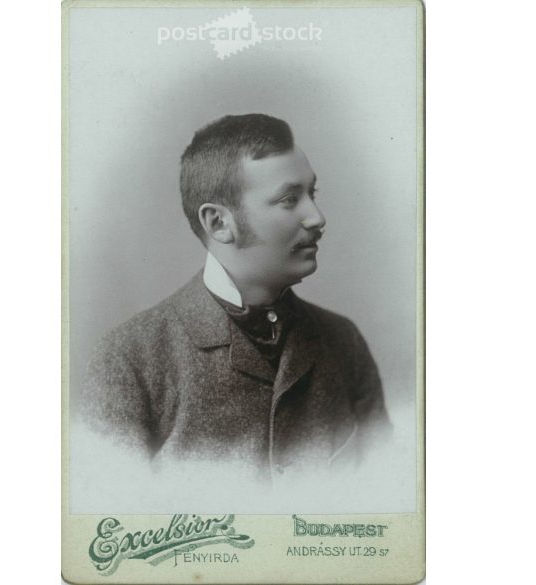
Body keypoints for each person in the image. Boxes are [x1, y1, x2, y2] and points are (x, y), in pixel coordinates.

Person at [82, 113, 390, 479]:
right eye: (290, 199)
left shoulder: (344, 342)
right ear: (219, 223)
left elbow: (381, 488)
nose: (317, 217)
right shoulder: (128, 361)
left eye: (312, 194)